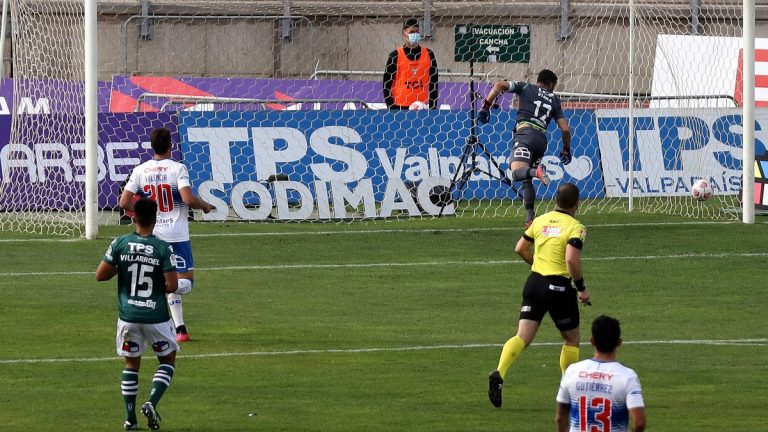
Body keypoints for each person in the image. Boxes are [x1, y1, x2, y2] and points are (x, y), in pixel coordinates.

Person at [488, 182, 591, 408]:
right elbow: (571, 260)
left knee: (522, 336)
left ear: (555, 200)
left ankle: (500, 372)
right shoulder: (576, 227)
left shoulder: (540, 220)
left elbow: (520, 248)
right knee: (571, 339)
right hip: (559, 287)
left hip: (534, 283)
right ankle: (568, 391)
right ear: (577, 204)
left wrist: (537, 264)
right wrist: (581, 288)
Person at [120, 127, 214, 342]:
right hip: (176, 236)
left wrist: (143, 212)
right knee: (186, 283)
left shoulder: (140, 170)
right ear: (171, 146)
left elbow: (124, 202)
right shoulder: (178, 169)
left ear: (152, 147)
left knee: (169, 278)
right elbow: (188, 199)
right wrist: (205, 206)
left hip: (153, 235)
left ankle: (180, 329)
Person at [96, 197, 179, 431]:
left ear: (133, 216)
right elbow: (172, 285)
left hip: (128, 317)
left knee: (131, 363)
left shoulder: (120, 243)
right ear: (156, 219)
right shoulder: (163, 248)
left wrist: (121, 268)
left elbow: (100, 275)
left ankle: (129, 418)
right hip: (156, 318)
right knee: (167, 360)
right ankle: (151, 402)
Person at [478, 69, 572, 227]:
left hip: (525, 134)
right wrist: (566, 149)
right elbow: (565, 129)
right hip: (541, 140)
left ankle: (538, 172)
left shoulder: (525, 87)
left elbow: (499, 85)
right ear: (550, 83)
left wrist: (486, 106)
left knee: (516, 173)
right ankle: (530, 218)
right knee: (526, 180)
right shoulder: (555, 100)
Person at [556, 315, 646, 432]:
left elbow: (560, 418)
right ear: (619, 342)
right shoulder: (627, 377)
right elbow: (639, 423)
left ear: (592, 341)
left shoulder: (572, 372)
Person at [382, 17, 439, 110]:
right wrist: (391, 108)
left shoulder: (429, 54)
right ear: (404, 34)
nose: (415, 35)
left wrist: (433, 107)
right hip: (399, 107)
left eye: (417, 32)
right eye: (411, 32)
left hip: (422, 107)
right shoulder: (395, 55)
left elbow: (434, 83)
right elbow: (386, 84)